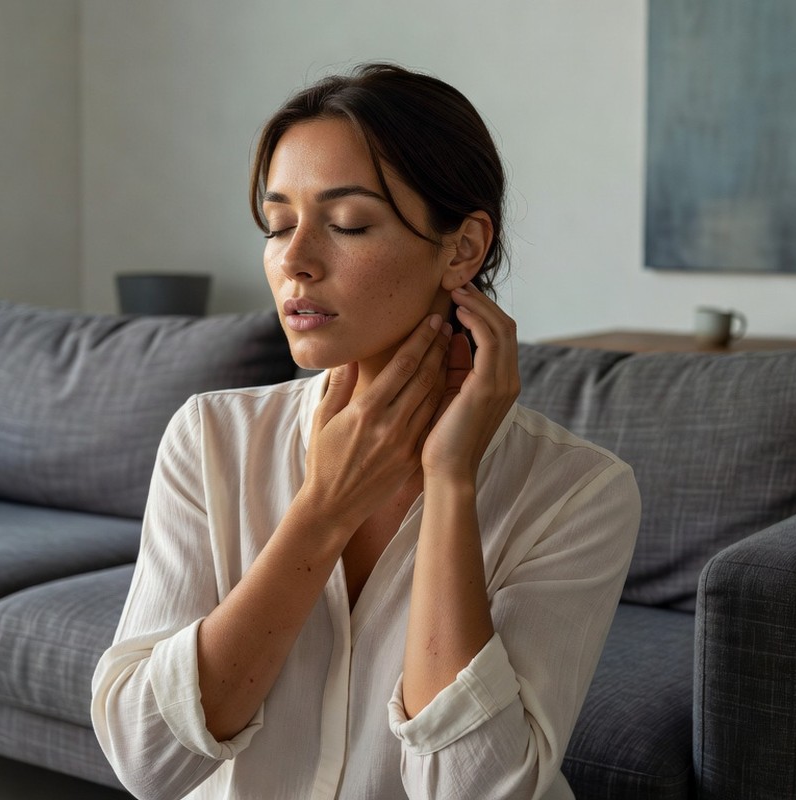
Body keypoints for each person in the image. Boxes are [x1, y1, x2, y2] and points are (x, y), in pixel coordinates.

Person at [91, 63, 640, 800]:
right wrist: (325, 508)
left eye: (347, 223)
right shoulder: (211, 440)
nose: (295, 260)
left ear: (462, 249)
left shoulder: (579, 491)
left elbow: (476, 792)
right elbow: (146, 759)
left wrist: (451, 483)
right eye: (279, 223)